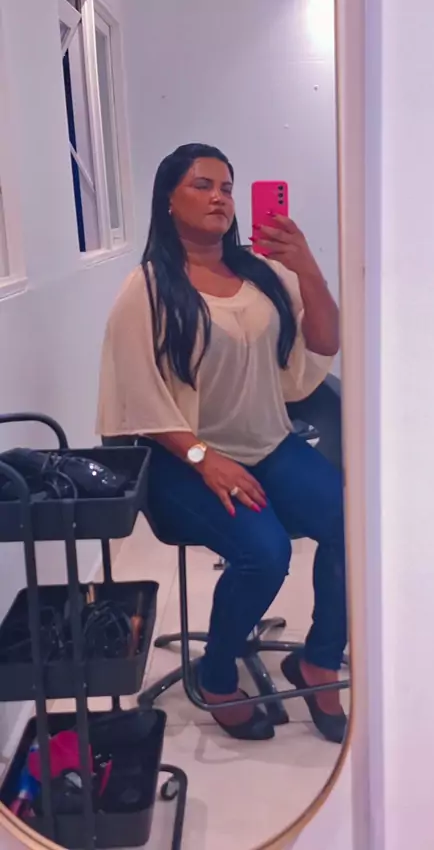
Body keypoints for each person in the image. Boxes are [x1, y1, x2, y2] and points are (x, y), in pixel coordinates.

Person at [97, 143, 347, 744]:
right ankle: (216, 677)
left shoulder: (263, 274)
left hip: (268, 443)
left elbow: (325, 341)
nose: (219, 198)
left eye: (227, 188)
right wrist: (204, 459)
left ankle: (318, 660)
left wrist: (307, 266)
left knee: (356, 528)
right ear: (168, 199)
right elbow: (136, 398)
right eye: (202, 185)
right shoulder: (146, 288)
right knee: (266, 552)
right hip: (180, 459)